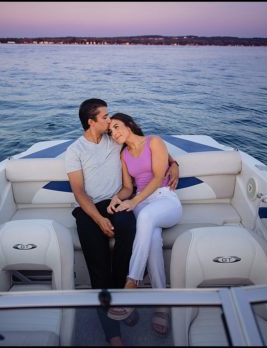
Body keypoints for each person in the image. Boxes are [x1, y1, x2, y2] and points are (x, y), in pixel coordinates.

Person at [65, 99, 179, 346]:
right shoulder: (75, 151)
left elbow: (151, 148)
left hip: (116, 204)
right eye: (105, 117)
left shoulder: (115, 139)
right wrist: (98, 219)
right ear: (91, 122)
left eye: (111, 118)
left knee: (129, 230)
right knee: (98, 265)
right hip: (88, 209)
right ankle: (112, 333)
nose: (109, 121)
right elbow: (78, 192)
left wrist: (175, 163)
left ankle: (125, 292)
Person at [106, 112, 183, 338]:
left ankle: (132, 282)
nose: (115, 133)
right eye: (111, 131)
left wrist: (135, 201)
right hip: (141, 202)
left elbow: (159, 176)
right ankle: (162, 304)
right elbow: (128, 188)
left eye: (118, 126)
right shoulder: (124, 155)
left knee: (146, 217)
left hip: (164, 199)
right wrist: (117, 197)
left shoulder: (154, 141)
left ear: (129, 124)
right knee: (152, 239)